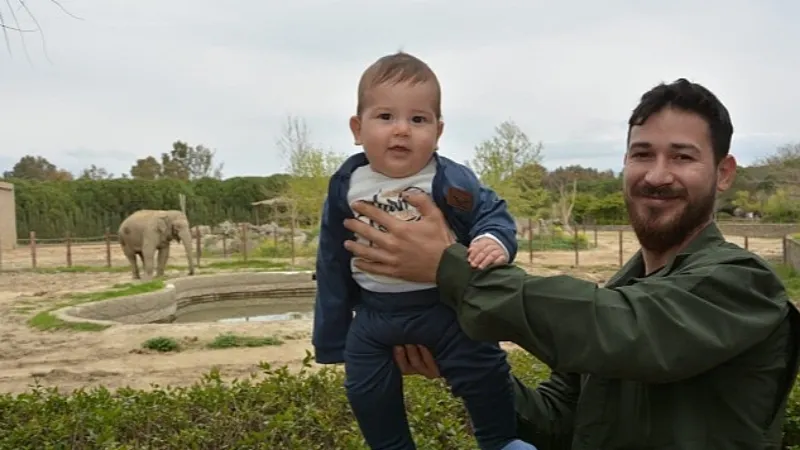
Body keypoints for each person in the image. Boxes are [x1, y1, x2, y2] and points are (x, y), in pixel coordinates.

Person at [341, 78, 800, 449]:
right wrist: (458, 363)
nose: (657, 175)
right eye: (642, 154)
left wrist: (450, 267)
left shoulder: (744, 285)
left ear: (723, 173)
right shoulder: (622, 290)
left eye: (682, 156)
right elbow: (557, 422)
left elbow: (624, 330)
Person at [312, 51, 536, 450]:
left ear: (438, 130)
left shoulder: (449, 180)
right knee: (366, 391)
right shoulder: (346, 184)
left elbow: (493, 213)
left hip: (444, 310)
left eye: (418, 119)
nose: (402, 131)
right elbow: (331, 259)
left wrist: (491, 241)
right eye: (385, 117)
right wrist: (332, 339)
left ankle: (502, 442)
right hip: (374, 318)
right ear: (357, 127)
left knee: (485, 371)